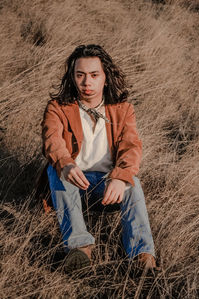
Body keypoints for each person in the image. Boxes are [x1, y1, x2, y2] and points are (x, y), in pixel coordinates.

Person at [41, 44, 157, 272]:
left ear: (105, 77)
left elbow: (131, 147)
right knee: (55, 171)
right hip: (72, 186)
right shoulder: (58, 107)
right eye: (80, 75)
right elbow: (51, 140)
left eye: (94, 75)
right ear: (72, 77)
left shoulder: (122, 109)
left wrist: (120, 178)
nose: (87, 83)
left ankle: (142, 255)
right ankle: (80, 248)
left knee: (133, 184)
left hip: (107, 187)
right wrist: (66, 164)